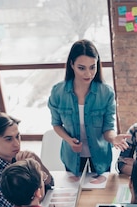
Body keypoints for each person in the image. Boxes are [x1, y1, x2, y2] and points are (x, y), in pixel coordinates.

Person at [48, 39, 128, 176]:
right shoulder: (58, 92)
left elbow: (108, 128)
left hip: (100, 155)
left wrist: (114, 138)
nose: (88, 74)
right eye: (81, 68)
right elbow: (56, 124)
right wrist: (69, 140)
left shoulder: (106, 93)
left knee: (101, 194)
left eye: (92, 67)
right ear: (72, 64)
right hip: (72, 156)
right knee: (75, 193)